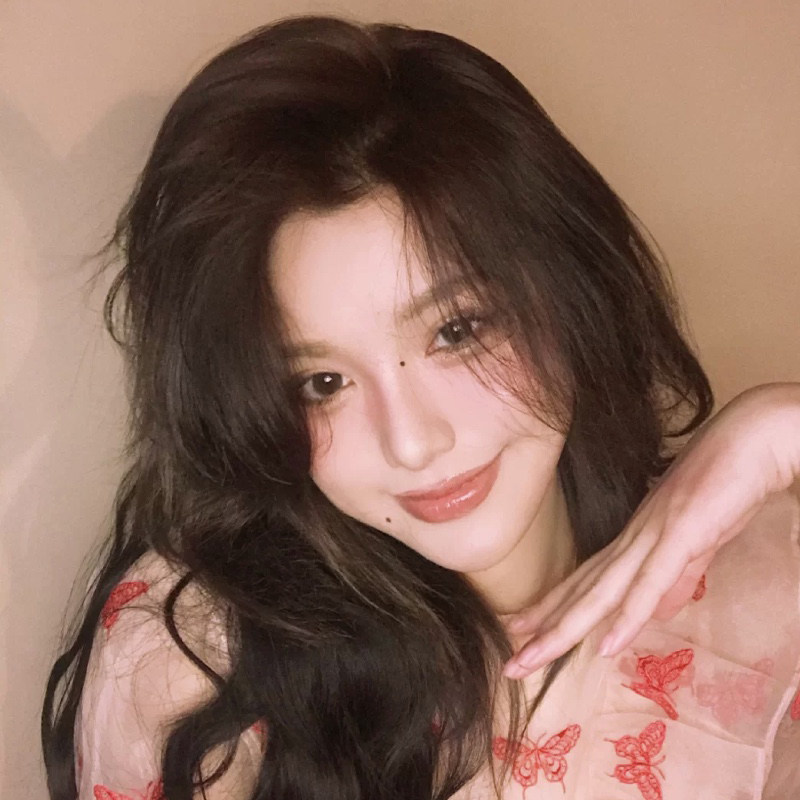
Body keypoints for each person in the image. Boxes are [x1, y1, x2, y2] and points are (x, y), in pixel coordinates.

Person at [40, 14, 800, 800]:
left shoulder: (764, 583)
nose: (411, 443)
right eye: (321, 383)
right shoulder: (199, 658)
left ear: (570, 291)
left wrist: (782, 427)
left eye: (457, 330)